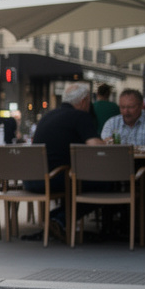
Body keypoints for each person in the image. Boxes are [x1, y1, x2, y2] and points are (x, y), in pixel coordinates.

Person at [25, 82, 104, 233]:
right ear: (84, 101)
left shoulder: (48, 115)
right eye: (89, 102)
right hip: (54, 179)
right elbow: (96, 148)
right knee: (105, 185)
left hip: (32, 179)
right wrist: (106, 143)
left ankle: (56, 218)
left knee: (79, 180)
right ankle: (59, 218)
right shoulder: (80, 116)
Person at [100, 88, 145, 152]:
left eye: (131, 107)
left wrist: (128, 149)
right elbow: (105, 146)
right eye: (122, 107)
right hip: (118, 161)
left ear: (141, 106)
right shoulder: (111, 123)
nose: (126, 111)